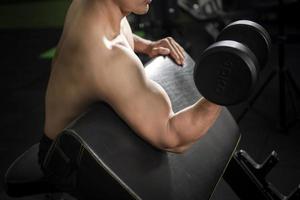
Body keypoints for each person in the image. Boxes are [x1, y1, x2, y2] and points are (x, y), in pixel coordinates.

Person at [39, 0, 222, 168]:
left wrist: (147, 45)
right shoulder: (108, 57)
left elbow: (116, 31)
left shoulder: (89, 6)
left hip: (78, 135)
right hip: (68, 160)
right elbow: (173, 137)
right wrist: (223, 90)